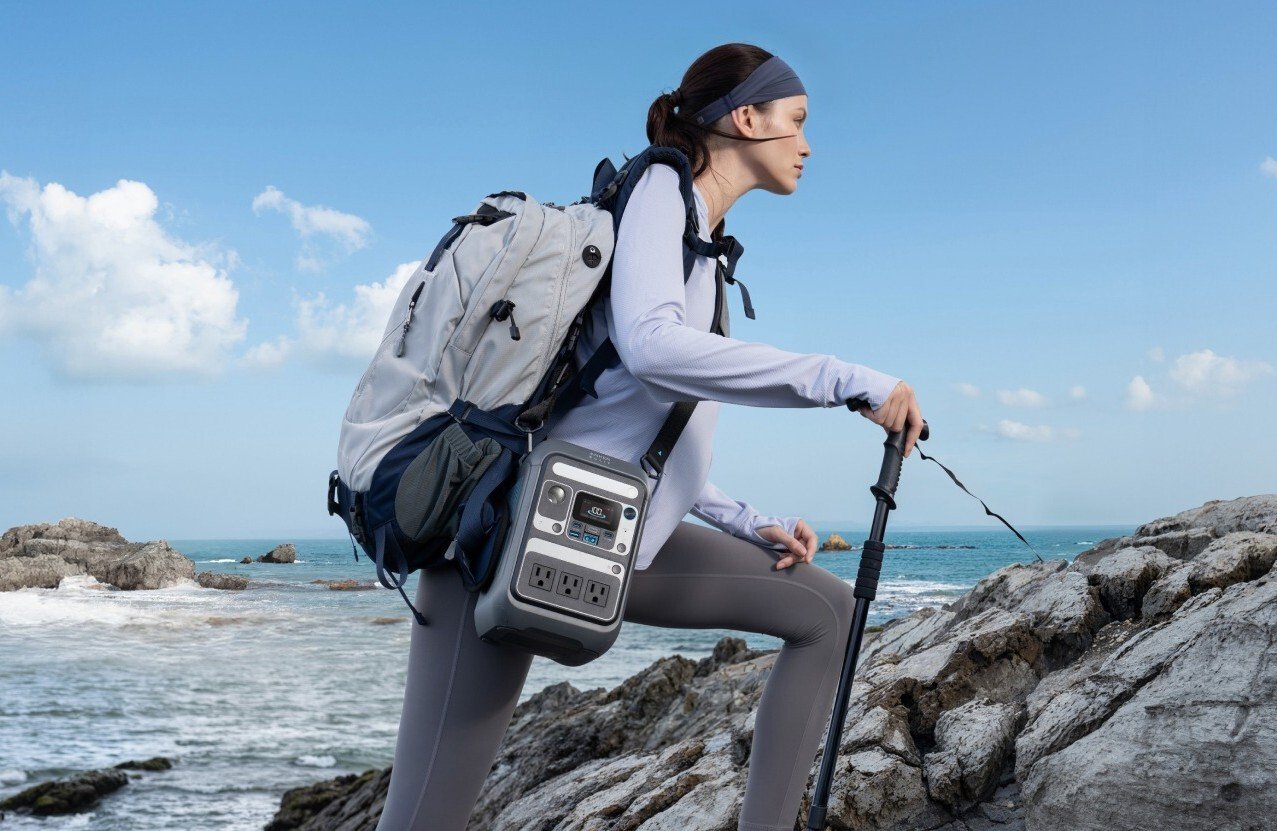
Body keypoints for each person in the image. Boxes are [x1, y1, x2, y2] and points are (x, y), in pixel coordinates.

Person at [376, 42, 925, 831]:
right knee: (422, 817)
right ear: (745, 118)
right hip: (513, 536)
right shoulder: (661, 188)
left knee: (826, 613)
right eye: (796, 121)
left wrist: (741, 517)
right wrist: (848, 378)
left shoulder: (702, 250)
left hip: (610, 530)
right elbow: (652, 346)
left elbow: (627, 427)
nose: (807, 144)